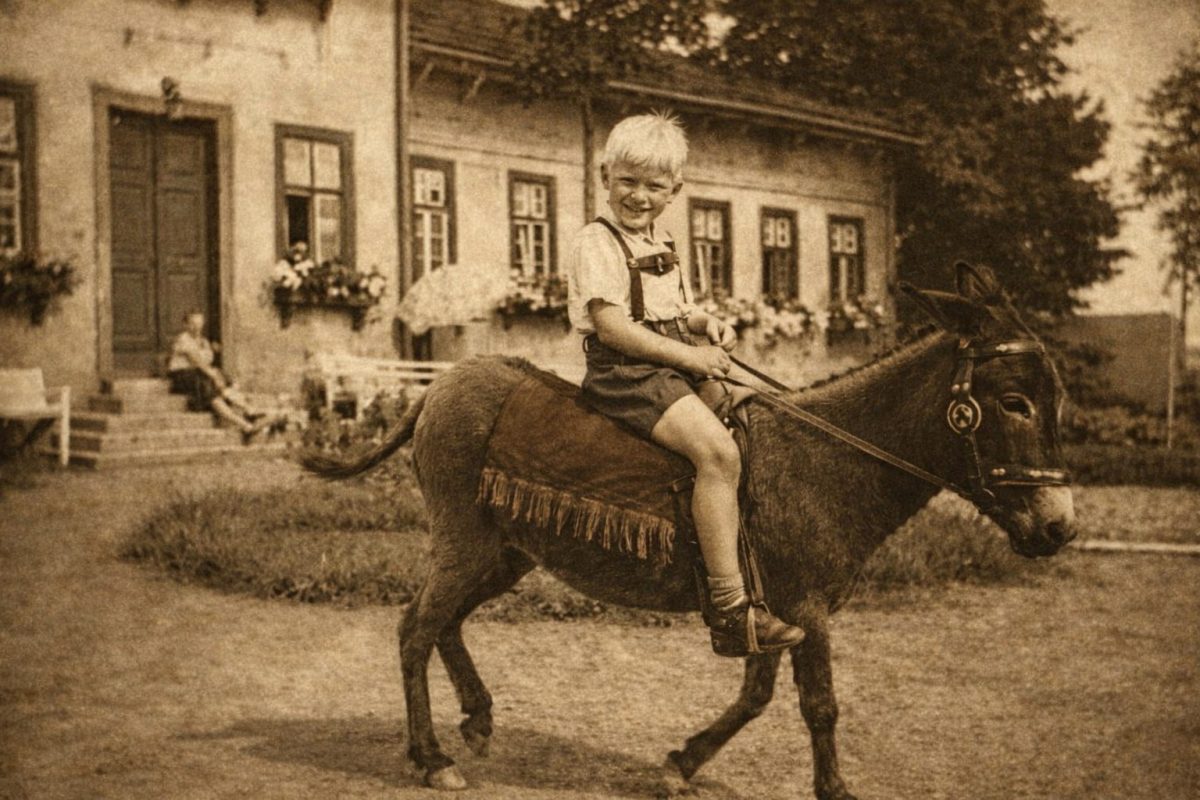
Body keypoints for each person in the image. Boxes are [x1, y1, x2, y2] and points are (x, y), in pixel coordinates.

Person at [566, 112, 805, 657]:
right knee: (719, 454)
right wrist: (692, 357)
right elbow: (614, 328)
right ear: (605, 176)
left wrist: (709, 326)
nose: (639, 196)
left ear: (675, 189)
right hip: (626, 375)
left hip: (671, 365)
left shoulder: (662, 239)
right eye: (627, 181)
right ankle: (729, 610)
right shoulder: (596, 242)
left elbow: (680, 310)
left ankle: (755, 561)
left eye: (654, 186)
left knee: (755, 418)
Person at [167, 311, 269, 443]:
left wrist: (217, 374)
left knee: (224, 379)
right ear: (185, 325)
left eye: (199, 324)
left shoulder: (203, 341)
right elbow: (197, 361)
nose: (197, 327)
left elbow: (208, 363)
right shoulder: (183, 339)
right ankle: (245, 425)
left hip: (200, 374)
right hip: (182, 376)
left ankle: (248, 409)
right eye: (192, 324)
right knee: (209, 384)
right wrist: (215, 376)